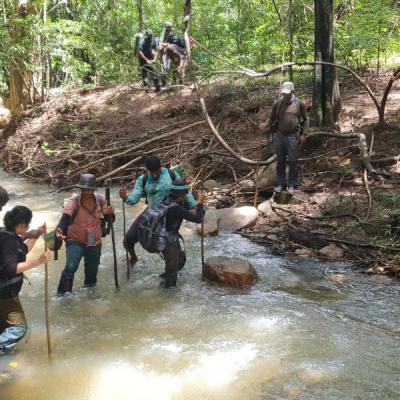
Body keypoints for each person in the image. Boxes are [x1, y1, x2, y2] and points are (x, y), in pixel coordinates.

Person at [119, 156, 197, 266]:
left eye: (157, 171)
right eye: (152, 172)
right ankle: (134, 258)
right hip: (151, 212)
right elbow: (134, 199)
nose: (155, 175)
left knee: (169, 244)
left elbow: (185, 190)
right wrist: (125, 197)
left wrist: (193, 206)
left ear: (161, 167)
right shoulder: (143, 179)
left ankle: (177, 261)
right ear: (147, 169)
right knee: (128, 239)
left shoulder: (171, 175)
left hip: (170, 213)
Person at [0, 206, 51, 355]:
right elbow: (11, 268)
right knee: (19, 327)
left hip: (5, 292)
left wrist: (34, 235)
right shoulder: (9, 240)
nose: (28, 227)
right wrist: (38, 261)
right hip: (4, 293)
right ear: (22, 224)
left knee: (4, 325)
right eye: (27, 224)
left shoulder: (6, 234)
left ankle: (4, 360)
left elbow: (22, 250)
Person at [55, 174, 115, 296]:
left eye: (89, 189)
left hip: (94, 241)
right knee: (70, 267)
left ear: (93, 190)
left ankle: (89, 294)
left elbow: (110, 220)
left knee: (92, 271)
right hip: (75, 240)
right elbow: (64, 221)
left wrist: (110, 213)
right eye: (84, 189)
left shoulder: (101, 200)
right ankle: (63, 295)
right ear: (80, 189)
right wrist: (59, 233)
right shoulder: (73, 202)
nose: (86, 192)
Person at [259, 81, 309, 194]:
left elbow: (306, 119)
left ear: (292, 92)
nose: (285, 96)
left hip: (293, 135)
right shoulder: (278, 103)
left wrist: (304, 134)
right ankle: (281, 183)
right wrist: (265, 125)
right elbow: (271, 118)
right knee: (280, 160)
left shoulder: (299, 103)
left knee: (292, 160)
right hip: (280, 135)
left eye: (287, 94)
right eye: (283, 94)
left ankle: (292, 184)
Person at [161, 179, 205, 288]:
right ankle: (167, 293)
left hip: (161, 237)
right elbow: (198, 219)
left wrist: (190, 211)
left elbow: (181, 213)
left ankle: (163, 279)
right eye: (185, 194)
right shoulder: (176, 208)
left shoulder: (166, 200)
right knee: (172, 270)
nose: (186, 197)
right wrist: (200, 203)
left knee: (181, 259)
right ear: (180, 196)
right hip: (169, 241)